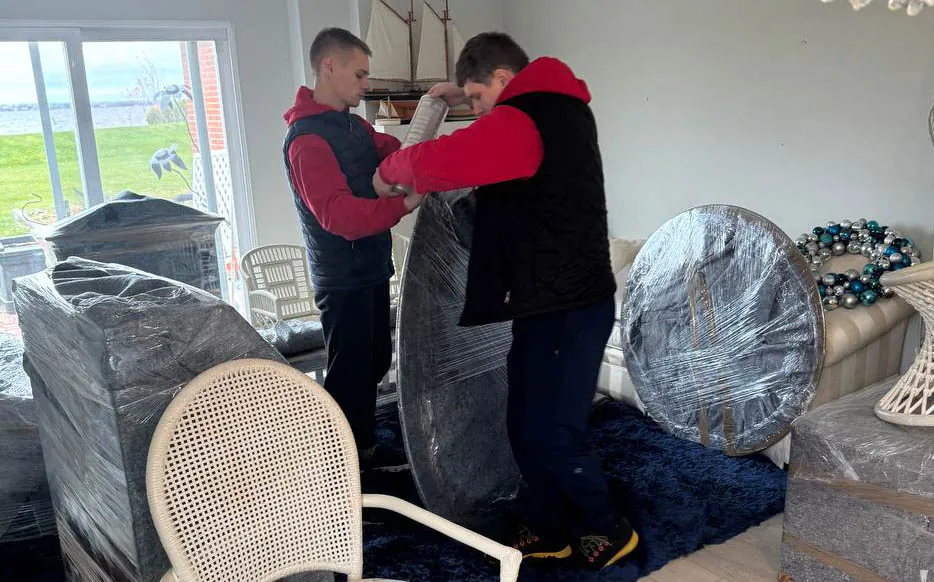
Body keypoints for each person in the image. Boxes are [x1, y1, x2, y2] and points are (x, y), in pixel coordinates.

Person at [372, 32, 638, 569]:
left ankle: (608, 527)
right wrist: (443, 99)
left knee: (556, 429)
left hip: (570, 308)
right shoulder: (549, 114)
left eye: (475, 99)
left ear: (501, 79)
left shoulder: (528, 115)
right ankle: (544, 525)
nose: (475, 112)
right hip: (548, 303)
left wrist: (390, 171)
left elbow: (450, 157)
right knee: (524, 420)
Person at [283, 27, 425, 471]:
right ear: (330, 66)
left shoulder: (354, 125)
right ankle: (344, 469)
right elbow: (338, 217)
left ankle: (359, 447)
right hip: (341, 277)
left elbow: (393, 150)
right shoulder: (307, 141)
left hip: (371, 266)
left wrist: (433, 153)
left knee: (375, 358)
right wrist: (403, 204)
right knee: (349, 373)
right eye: (360, 74)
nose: (366, 85)